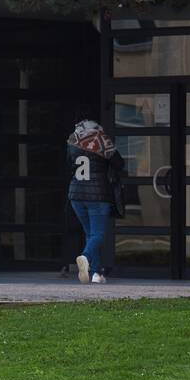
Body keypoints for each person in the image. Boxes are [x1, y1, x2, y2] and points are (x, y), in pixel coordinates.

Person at [66, 119, 125, 285]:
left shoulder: (72, 140)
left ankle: (96, 273)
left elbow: (67, 164)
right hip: (98, 196)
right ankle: (85, 256)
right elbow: (119, 163)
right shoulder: (101, 140)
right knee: (98, 235)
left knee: (90, 233)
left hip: (76, 194)